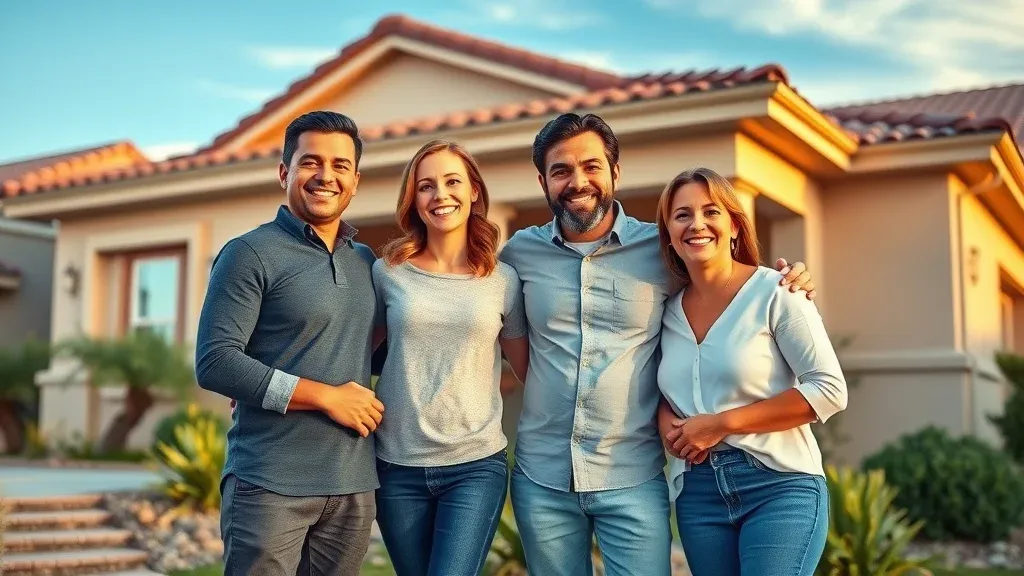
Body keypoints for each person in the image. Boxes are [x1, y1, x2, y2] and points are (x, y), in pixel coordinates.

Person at [497, 112, 817, 576]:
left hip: (634, 474)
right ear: (543, 180)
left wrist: (790, 283)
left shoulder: (664, 249)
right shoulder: (519, 254)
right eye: (561, 170)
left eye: (591, 166)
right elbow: (521, 356)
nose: (577, 181)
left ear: (615, 173)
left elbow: (731, 288)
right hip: (542, 477)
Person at [195, 110, 384, 576]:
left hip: (352, 484)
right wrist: (325, 398)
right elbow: (216, 362)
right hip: (269, 483)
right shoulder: (249, 253)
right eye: (310, 162)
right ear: (285, 172)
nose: (326, 176)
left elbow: (369, 349)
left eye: (340, 166)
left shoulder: (364, 260)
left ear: (355, 180)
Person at [655, 166, 848, 576]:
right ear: (669, 233)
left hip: (779, 485)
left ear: (735, 227)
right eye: (682, 215)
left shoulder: (779, 292)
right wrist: (669, 427)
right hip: (699, 493)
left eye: (711, 212)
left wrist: (721, 424)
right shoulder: (664, 312)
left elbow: (829, 389)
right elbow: (659, 391)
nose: (697, 224)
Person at [369, 139, 529, 576]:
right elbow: (352, 351)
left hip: (475, 465)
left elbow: (530, 369)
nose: (440, 195)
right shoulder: (387, 273)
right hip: (395, 465)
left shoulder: (502, 279)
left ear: (474, 191)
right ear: (413, 199)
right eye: (426, 186)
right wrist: (281, 379)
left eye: (452, 181)